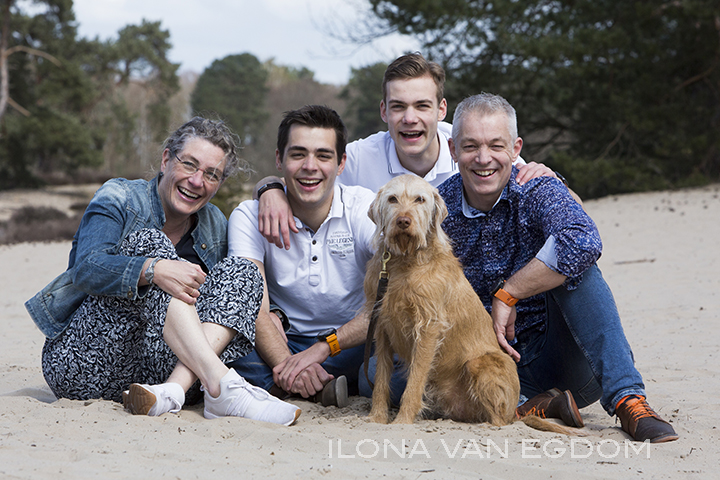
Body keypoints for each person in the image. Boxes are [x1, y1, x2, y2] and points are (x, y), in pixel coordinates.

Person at [25, 117, 301, 426]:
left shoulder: (214, 224)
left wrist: (273, 315)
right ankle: (221, 386)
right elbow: (86, 268)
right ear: (166, 159)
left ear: (219, 184)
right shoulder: (120, 197)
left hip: (164, 374)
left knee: (244, 270)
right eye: (189, 164)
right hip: (86, 363)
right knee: (150, 242)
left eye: (211, 174)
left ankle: (173, 391)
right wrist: (153, 269)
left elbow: (232, 297)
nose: (197, 181)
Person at [434, 92, 678, 443]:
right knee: (391, 377)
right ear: (453, 149)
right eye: (470, 146)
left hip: (563, 361)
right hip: (483, 370)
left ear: (515, 149)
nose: (483, 158)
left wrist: (509, 293)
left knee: (578, 267)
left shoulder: (536, 186)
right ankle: (532, 406)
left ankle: (629, 400)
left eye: (496, 145)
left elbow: (583, 239)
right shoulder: (438, 209)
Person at [253, 52, 560, 250]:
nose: (410, 118)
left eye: (422, 106)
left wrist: (550, 179)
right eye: (398, 106)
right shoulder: (359, 157)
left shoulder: (472, 146)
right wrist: (270, 190)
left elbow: (548, 193)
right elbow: (306, 175)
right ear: (384, 111)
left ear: (441, 109)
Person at [226, 105, 376, 407]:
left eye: (323, 156)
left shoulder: (364, 208)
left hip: (348, 342)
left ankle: (286, 387)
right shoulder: (249, 216)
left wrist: (325, 347)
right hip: (283, 341)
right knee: (232, 351)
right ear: (279, 159)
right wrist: (288, 363)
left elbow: (390, 299)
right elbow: (252, 305)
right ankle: (313, 386)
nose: (310, 166)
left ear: (341, 163)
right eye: (298, 154)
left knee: (383, 362)